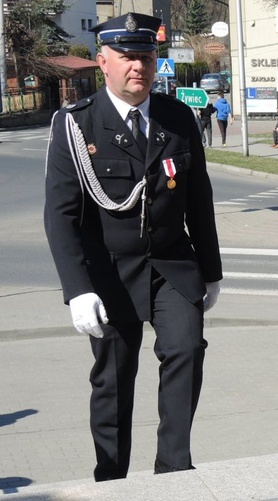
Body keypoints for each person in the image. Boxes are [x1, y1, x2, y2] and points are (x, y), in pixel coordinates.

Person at [43, 12, 223, 480]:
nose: (137, 67)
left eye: (145, 56)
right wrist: (77, 288)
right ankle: (111, 478)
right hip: (109, 274)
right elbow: (60, 216)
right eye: (126, 58)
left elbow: (198, 199)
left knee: (186, 350)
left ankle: (174, 471)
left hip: (172, 267)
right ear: (103, 62)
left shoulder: (178, 118)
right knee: (113, 382)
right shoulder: (76, 126)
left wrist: (212, 269)